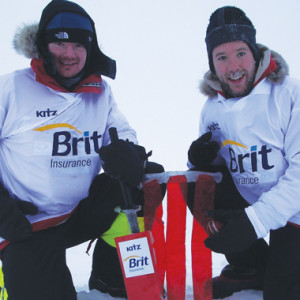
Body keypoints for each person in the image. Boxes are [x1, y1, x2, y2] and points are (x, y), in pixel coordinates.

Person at [0, 1, 163, 299]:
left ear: (90, 48)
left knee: (146, 182)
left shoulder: (100, 92)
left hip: (79, 212)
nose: (69, 54)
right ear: (42, 45)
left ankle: (109, 278)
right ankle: (8, 274)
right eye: (59, 43)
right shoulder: (11, 88)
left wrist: (128, 153)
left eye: (77, 44)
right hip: (26, 223)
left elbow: (122, 132)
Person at [188, 6, 300, 300]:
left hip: (296, 209)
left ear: (254, 53)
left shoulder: (290, 94)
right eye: (221, 57)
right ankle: (251, 266)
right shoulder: (212, 107)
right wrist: (199, 160)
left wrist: (253, 223)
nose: (233, 66)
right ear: (212, 63)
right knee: (195, 185)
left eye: (240, 53)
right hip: (255, 201)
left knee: (281, 293)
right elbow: (214, 170)